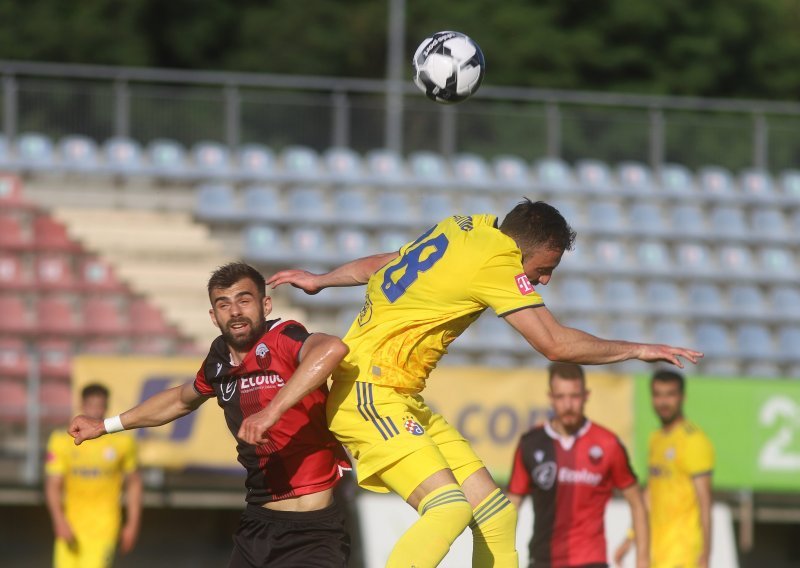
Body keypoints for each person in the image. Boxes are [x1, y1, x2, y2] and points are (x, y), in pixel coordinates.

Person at [268, 199, 702, 568]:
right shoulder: (497, 261)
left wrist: (322, 279)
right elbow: (555, 344)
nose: (545, 279)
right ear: (523, 252)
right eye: (545, 267)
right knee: (448, 508)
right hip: (369, 392)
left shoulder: (465, 226)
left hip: (399, 397)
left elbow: (390, 261)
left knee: (496, 514)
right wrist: (638, 349)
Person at [69, 262, 352, 568]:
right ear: (213, 316)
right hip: (258, 523)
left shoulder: (284, 337)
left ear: (265, 304)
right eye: (224, 304)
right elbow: (180, 400)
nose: (235, 312)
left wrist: (271, 412)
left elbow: (332, 349)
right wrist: (105, 425)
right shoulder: (218, 361)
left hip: (313, 531)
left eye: (244, 300)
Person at [508, 362, 649, 568]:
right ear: (550, 398)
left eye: (574, 396)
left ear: (586, 396)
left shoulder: (608, 444)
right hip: (543, 560)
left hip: (590, 560)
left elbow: (637, 502)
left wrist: (642, 561)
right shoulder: (531, 443)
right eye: (561, 397)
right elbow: (513, 504)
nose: (568, 405)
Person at [613, 370, 714, 568]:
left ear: (682, 397)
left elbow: (705, 500)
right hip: (656, 553)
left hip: (684, 554)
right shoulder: (656, 439)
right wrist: (630, 538)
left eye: (670, 394)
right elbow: (651, 495)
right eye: (658, 394)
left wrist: (706, 554)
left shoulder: (694, 440)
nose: (663, 402)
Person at [45, 383, 142, 568]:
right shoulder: (62, 441)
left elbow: (134, 483)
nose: (96, 411)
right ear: (82, 405)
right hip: (71, 525)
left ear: (106, 407)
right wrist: (58, 520)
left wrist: (132, 523)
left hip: (104, 527)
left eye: (101, 405)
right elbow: (53, 484)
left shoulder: (122, 442)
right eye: (91, 405)